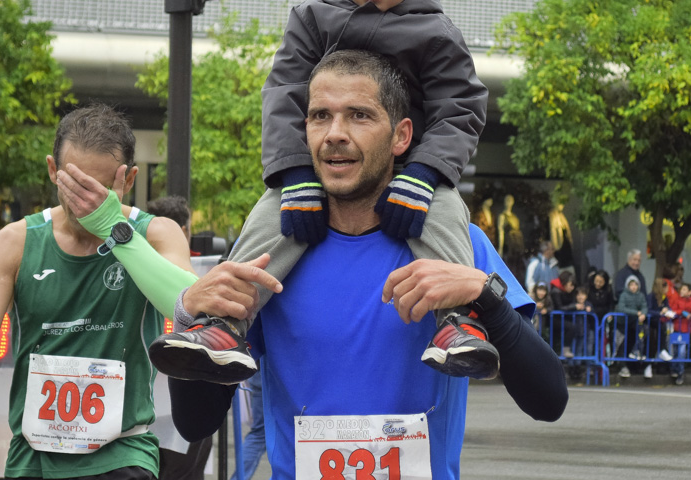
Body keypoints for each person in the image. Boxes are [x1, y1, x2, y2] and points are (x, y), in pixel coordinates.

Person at [164, 50, 567, 479]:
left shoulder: (455, 246)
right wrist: (188, 313)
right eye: (320, 116)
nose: (335, 133)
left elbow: (548, 401)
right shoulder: (273, 251)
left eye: (359, 115)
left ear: (401, 135)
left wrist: (484, 296)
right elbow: (195, 423)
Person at [151, 0, 494, 386]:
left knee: (445, 209)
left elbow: (461, 109)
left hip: (411, 174)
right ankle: (224, 323)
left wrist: (422, 173)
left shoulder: (437, 32)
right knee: (271, 215)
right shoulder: (311, 18)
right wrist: (294, 176)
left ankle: (459, 321)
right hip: (314, 177)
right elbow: (284, 96)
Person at [0, 103, 198, 479]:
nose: (86, 201)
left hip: (124, 452)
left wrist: (114, 227)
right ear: (52, 171)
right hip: (34, 456)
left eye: (102, 188)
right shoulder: (16, 241)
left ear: (128, 181)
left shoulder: (156, 233)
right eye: (75, 184)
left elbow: (187, 308)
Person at [145, 195, 216, 480]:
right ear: (184, 231)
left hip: (137, 406)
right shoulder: (200, 277)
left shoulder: (131, 271)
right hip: (182, 402)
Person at [664, 279, 691, 385]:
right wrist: (683, 312)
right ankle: (674, 370)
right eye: (681, 289)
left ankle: (680, 372)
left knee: (682, 352)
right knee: (673, 352)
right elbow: (673, 310)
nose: (681, 291)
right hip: (675, 329)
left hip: (686, 330)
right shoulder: (677, 300)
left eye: (684, 289)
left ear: (690, 292)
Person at [614, 276, 648, 377]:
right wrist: (636, 313)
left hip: (634, 323)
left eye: (635, 285)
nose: (633, 287)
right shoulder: (624, 295)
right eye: (631, 285)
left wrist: (643, 314)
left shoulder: (640, 295)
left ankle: (635, 352)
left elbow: (644, 306)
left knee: (639, 334)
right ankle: (621, 363)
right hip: (623, 323)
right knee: (622, 343)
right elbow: (621, 308)